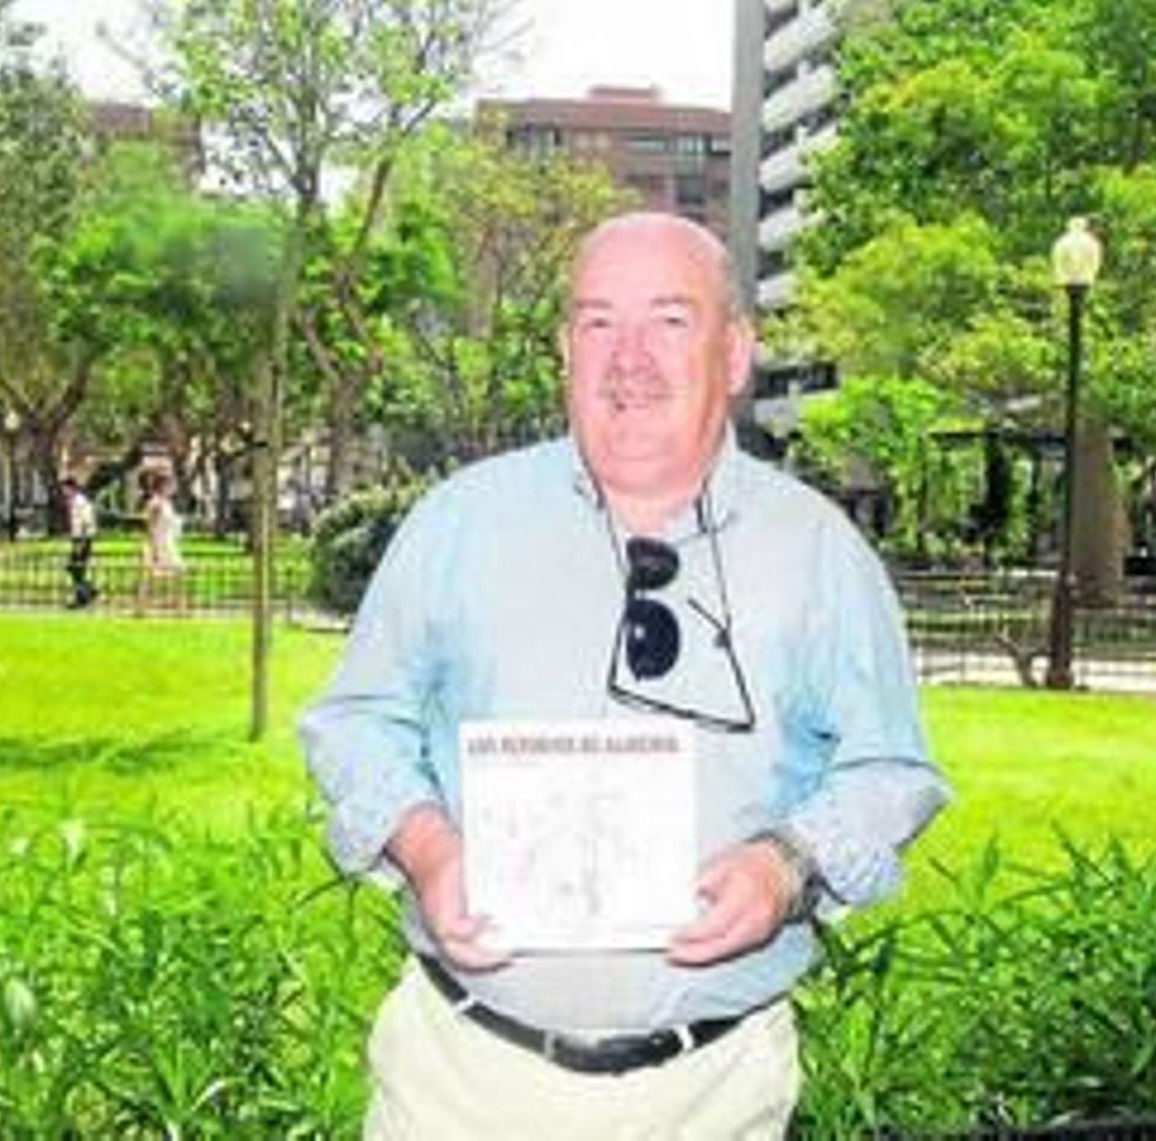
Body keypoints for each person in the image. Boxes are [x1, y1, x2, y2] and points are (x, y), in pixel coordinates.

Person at [298, 212, 950, 1139]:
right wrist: (428, 846)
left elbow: (892, 769)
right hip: (457, 1083)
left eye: (671, 321)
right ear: (565, 348)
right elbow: (356, 720)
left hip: (712, 1096)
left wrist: (787, 865)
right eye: (599, 322)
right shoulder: (457, 524)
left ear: (735, 354)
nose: (628, 359)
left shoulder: (821, 555)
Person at [134, 466, 185, 616]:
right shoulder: (156, 503)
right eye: (171, 484)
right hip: (159, 542)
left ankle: (178, 607)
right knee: (149, 576)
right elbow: (149, 526)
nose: (174, 487)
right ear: (164, 485)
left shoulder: (166, 502)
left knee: (175, 573)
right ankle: (141, 608)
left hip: (167, 541)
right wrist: (153, 548)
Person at [61, 475, 98, 609]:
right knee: (74, 569)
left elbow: (86, 523)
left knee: (76, 568)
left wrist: (80, 542)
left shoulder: (80, 502)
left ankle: (83, 595)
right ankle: (86, 593)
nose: (64, 492)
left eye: (65, 489)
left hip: (82, 539)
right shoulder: (76, 502)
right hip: (79, 538)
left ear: (71, 488)